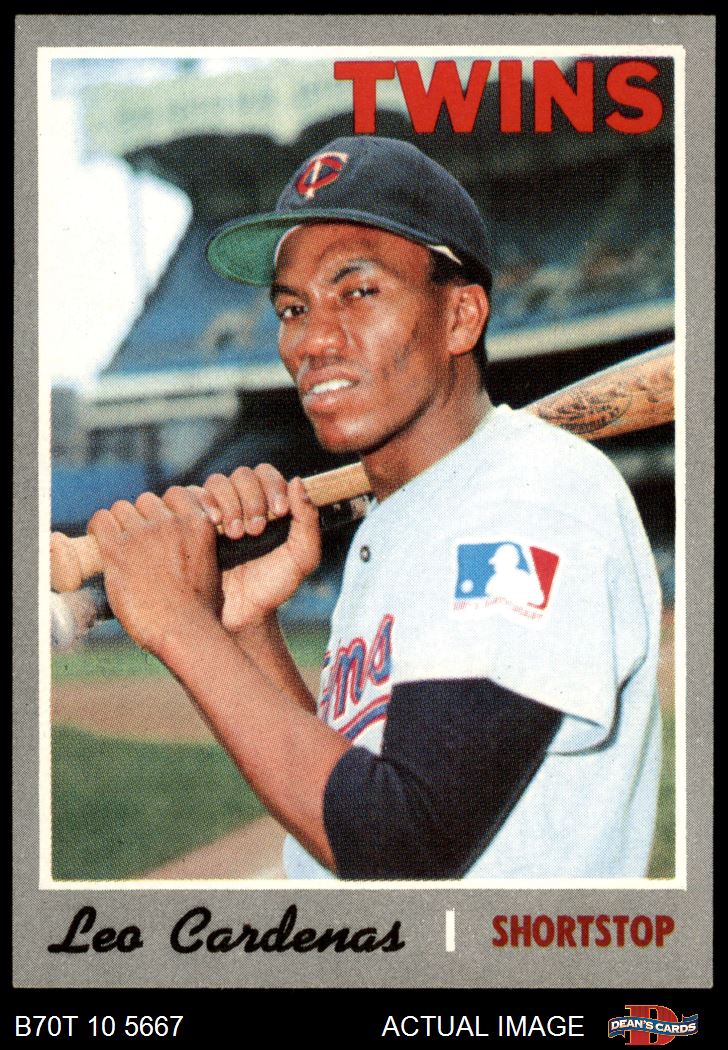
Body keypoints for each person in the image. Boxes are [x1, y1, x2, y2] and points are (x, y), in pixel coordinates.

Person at [89, 136, 662, 880]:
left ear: (461, 317)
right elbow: (347, 798)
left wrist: (179, 624)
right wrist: (244, 628)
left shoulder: (531, 492)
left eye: (358, 292)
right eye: (293, 308)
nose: (312, 340)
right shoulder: (413, 512)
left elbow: (403, 843)